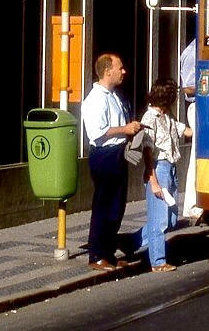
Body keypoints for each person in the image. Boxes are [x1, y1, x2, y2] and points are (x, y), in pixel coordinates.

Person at [81, 53, 141, 271]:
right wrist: (125, 129)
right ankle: (96, 255)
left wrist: (130, 130)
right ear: (108, 71)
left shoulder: (114, 96)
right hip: (104, 155)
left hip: (118, 153)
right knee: (103, 205)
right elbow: (98, 132)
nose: (124, 71)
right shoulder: (95, 99)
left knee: (117, 206)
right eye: (120, 68)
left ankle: (108, 252)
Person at [140, 79, 193, 272]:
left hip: (171, 167)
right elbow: (147, 152)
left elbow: (181, 129)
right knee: (160, 219)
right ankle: (158, 261)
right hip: (158, 169)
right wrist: (152, 180)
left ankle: (132, 242)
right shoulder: (149, 118)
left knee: (170, 219)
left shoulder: (166, 115)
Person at [178, 38, 202, 220]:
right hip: (197, 107)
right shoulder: (192, 52)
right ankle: (192, 205)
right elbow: (187, 88)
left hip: (205, 106)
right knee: (196, 153)